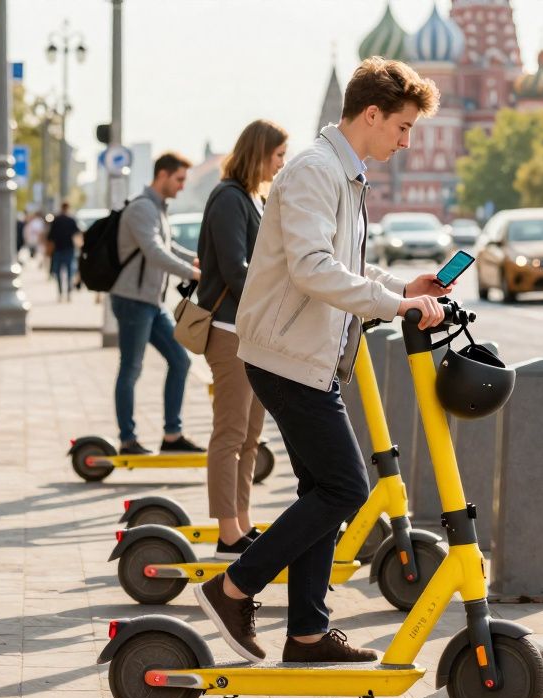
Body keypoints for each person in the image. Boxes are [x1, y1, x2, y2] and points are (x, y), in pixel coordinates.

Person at [195, 57, 448, 665]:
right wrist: (393, 307)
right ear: (371, 114)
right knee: (345, 488)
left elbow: (345, 267)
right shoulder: (315, 171)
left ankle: (307, 634)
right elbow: (312, 269)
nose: (406, 140)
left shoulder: (344, 173)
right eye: (403, 126)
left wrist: (403, 289)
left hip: (310, 355)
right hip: (285, 354)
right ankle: (233, 588)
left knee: (321, 489)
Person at [196, 119, 289, 560]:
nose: (282, 164)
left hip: (250, 332)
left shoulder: (253, 196)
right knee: (230, 434)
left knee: (251, 436)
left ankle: (242, 522)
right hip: (229, 331)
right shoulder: (228, 199)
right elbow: (236, 268)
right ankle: (227, 532)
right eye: (278, 156)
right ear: (260, 153)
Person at [110, 153, 204, 455]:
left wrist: (199, 260)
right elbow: (153, 252)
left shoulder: (158, 209)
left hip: (151, 302)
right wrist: (192, 272)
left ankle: (172, 437)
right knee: (131, 369)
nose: (181, 187)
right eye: (179, 179)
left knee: (181, 360)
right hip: (133, 302)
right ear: (162, 175)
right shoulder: (141, 209)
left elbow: (168, 247)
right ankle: (127, 440)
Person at [47, 203, 80, 301]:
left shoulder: (56, 220)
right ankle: (69, 293)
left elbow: (50, 237)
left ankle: (60, 293)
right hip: (69, 249)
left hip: (58, 250)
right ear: (68, 208)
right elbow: (77, 233)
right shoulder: (71, 220)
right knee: (70, 272)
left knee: (58, 273)